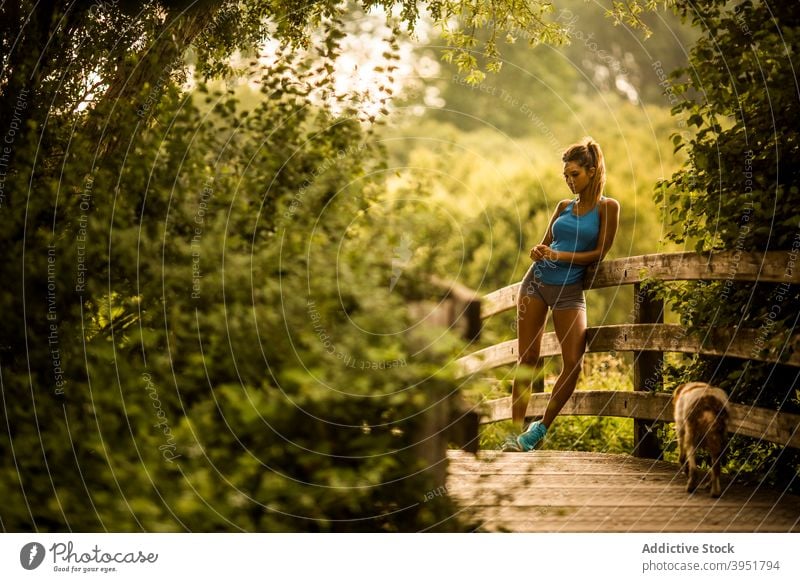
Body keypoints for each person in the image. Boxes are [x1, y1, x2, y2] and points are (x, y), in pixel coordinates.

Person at [502, 138, 620, 451]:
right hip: (536, 284)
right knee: (527, 359)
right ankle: (514, 434)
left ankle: (538, 429)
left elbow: (598, 253)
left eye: (575, 174)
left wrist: (560, 257)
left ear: (592, 172)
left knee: (574, 362)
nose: (569, 181)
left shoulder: (609, 207)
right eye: (566, 176)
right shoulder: (562, 207)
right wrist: (539, 252)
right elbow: (545, 246)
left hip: (569, 290)